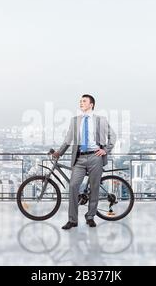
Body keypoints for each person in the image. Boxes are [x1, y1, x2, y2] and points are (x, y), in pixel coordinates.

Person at [53, 94, 116, 230]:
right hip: (79, 158)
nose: (81, 103)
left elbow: (112, 136)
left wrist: (106, 150)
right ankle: (72, 220)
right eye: (80, 101)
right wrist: (59, 152)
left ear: (91, 104)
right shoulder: (75, 120)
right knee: (73, 186)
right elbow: (68, 140)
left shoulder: (101, 120)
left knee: (94, 188)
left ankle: (90, 217)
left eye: (84, 101)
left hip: (95, 157)